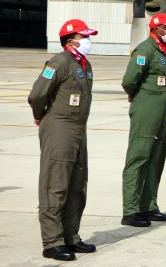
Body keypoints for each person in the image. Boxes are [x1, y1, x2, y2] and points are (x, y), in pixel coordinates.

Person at [28, 19, 98, 261]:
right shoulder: (59, 62)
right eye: (85, 37)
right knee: (55, 185)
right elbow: (37, 94)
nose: (89, 41)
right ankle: (52, 241)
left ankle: (71, 236)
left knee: (77, 184)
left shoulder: (84, 64)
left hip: (79, 129)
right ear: (71, 40)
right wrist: (40, 116)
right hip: (59, 127)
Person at [121, 12, 166, 227]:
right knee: (139, 157)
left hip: (162, 113)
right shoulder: (145, 50)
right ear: (157, 29)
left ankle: (149, 205)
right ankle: (131, 210)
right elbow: (129, 81)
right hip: (147, 110)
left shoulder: (163, 52)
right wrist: (138, 97)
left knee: (156, 158)